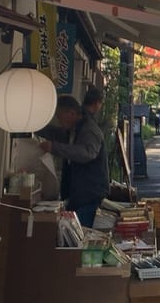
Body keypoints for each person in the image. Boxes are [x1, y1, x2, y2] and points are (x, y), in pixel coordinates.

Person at [39, 90, 109, 229]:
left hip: (89, 194)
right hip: (79, 194)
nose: (59, 121)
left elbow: (86, 153)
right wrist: (36, 127)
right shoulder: (75, 129)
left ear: (71, 114)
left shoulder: (88, 130)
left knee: (81, 236)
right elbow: (57, 134)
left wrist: (54, 148)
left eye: (60, 117)